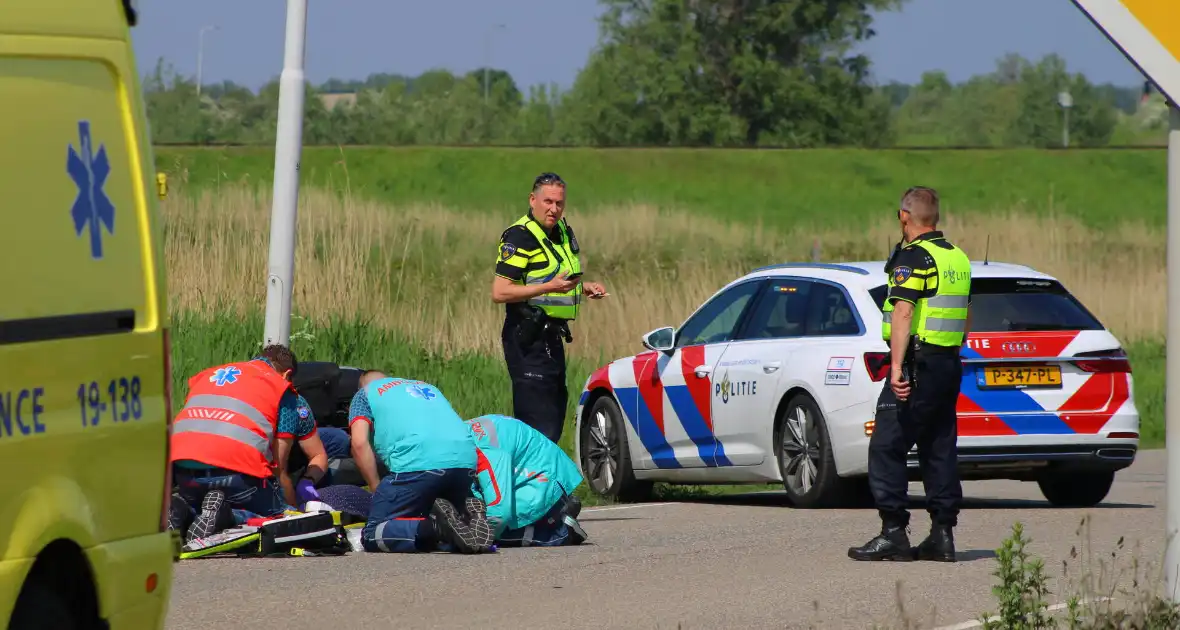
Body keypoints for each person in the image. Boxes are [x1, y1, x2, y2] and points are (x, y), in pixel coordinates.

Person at [849, 186, 972, 563]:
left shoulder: (914, 257)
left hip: (917, 363)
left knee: (886, 445)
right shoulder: (958, 258)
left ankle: (893, 533)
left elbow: (903, 312)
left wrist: (898, 368)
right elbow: (962, 316)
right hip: (947, 362)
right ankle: (942, 534)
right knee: (938, 446)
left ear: (905, 216)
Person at [491, 172, 608, 444]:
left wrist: (583, 287)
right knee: (537, 423)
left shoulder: (560, 232)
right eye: (547, 202)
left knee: (554, 416)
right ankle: (528, 484)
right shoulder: (520, 237)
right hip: (526, 336)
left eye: (559, 203)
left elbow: (552, 278)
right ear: (533, 200)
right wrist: (549, 287)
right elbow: (500, 292)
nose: (554, 209)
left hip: (552, 337)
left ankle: (548, 485)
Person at [169, 345, 329, 543]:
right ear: (287, 374)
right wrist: (292, 509)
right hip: (236, 475)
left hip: (183, 473)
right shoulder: (282, 390)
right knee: (272, 518)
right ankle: (228, 516)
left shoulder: (211, 375)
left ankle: (183, 509)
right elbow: (278, 468)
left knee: (202, 501)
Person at [347, 370, 495, 554]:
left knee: (372, 533)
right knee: (443, 510)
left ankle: (437, 529)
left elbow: (359, 444)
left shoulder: (364, 395)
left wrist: (376, 489)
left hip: (417, 463)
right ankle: (465, 517)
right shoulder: (426, 386)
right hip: (465, 461)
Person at [466, 414, 588, 547]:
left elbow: (499, 514)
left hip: (545, 484)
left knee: (488, 535)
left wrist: (470, 534)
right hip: (546, 470)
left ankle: (562, 531)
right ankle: (557, 510)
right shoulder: (464, 431)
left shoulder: (487, 451)